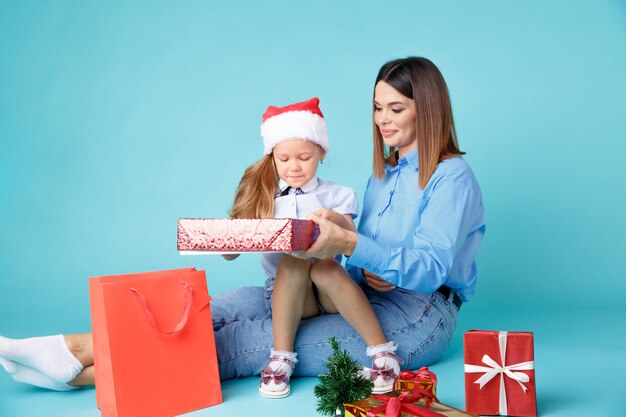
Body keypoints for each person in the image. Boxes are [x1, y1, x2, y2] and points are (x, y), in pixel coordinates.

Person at [0, 56, 485, 395]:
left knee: (246, 344)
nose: (381, 119)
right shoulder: (384, 174)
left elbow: (426, 266)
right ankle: (70, 354)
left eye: (395, 109)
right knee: (219, 308)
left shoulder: (451, 176)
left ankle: (76, 364)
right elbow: (366, 251)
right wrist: (358, 254)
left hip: (417, 318)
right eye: (377, 108)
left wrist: (357, 247)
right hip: (351, 292)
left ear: (430, 108)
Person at [225, 97, 401, 398]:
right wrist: (232, 233)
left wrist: (331, 220)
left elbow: (350, 238)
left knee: (324, 264)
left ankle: (382, 352)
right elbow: (229, 253)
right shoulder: (263, 200)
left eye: (304, 157)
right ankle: (281, 357)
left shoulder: (337, 194)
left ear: (320, 152)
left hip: (331, 291)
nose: (294, 167)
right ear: (272, 157)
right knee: (294, 261)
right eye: (284, 159)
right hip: (291, 297)